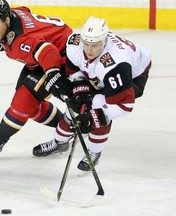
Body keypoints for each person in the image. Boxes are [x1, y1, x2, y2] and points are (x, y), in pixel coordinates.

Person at [33, 16, 151, 172]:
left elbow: (125, 105)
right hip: (102, 72)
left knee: (98, 104)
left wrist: (95, 117)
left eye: (94, 46)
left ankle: (94, 153)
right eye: (86, 44)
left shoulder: (116, 66)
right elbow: (74, 69)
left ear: (104, 42)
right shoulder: (74, 43)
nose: (89, 50)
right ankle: (59, 142)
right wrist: (79, 88)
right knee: (75, 105)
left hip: (133, 75)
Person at [0, 0, 74, 160]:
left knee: (22, 103)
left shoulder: (20, 41)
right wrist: (3, 40)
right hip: (40, 57)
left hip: (60, 56)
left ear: (7, 20)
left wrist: (53, 74)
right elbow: (25, 10)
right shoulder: (13, 14)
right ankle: (68, 129)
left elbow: (48, 51)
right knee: (29, 106)